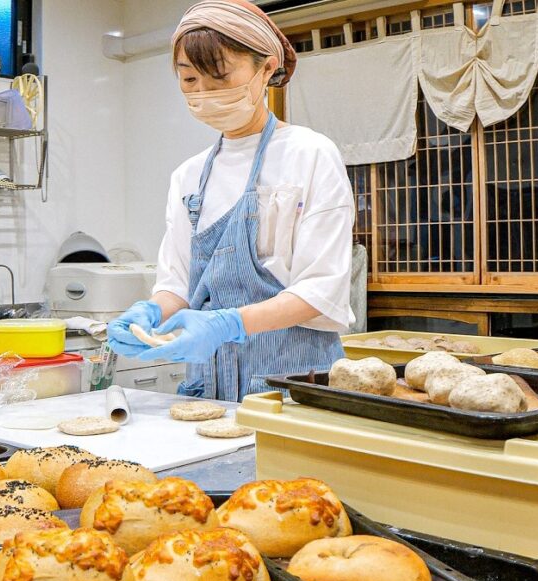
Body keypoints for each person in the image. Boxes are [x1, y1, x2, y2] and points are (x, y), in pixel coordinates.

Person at [107, 0, 354, 401]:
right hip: (207, 391)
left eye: (219, 76)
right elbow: (178, 284)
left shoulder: (309, 154)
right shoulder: (188, 176)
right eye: (189, 80)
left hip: (291, 390)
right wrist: (150, 313)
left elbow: (320, 288)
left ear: (266, 68)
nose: (203, 93)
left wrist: (227, 324)